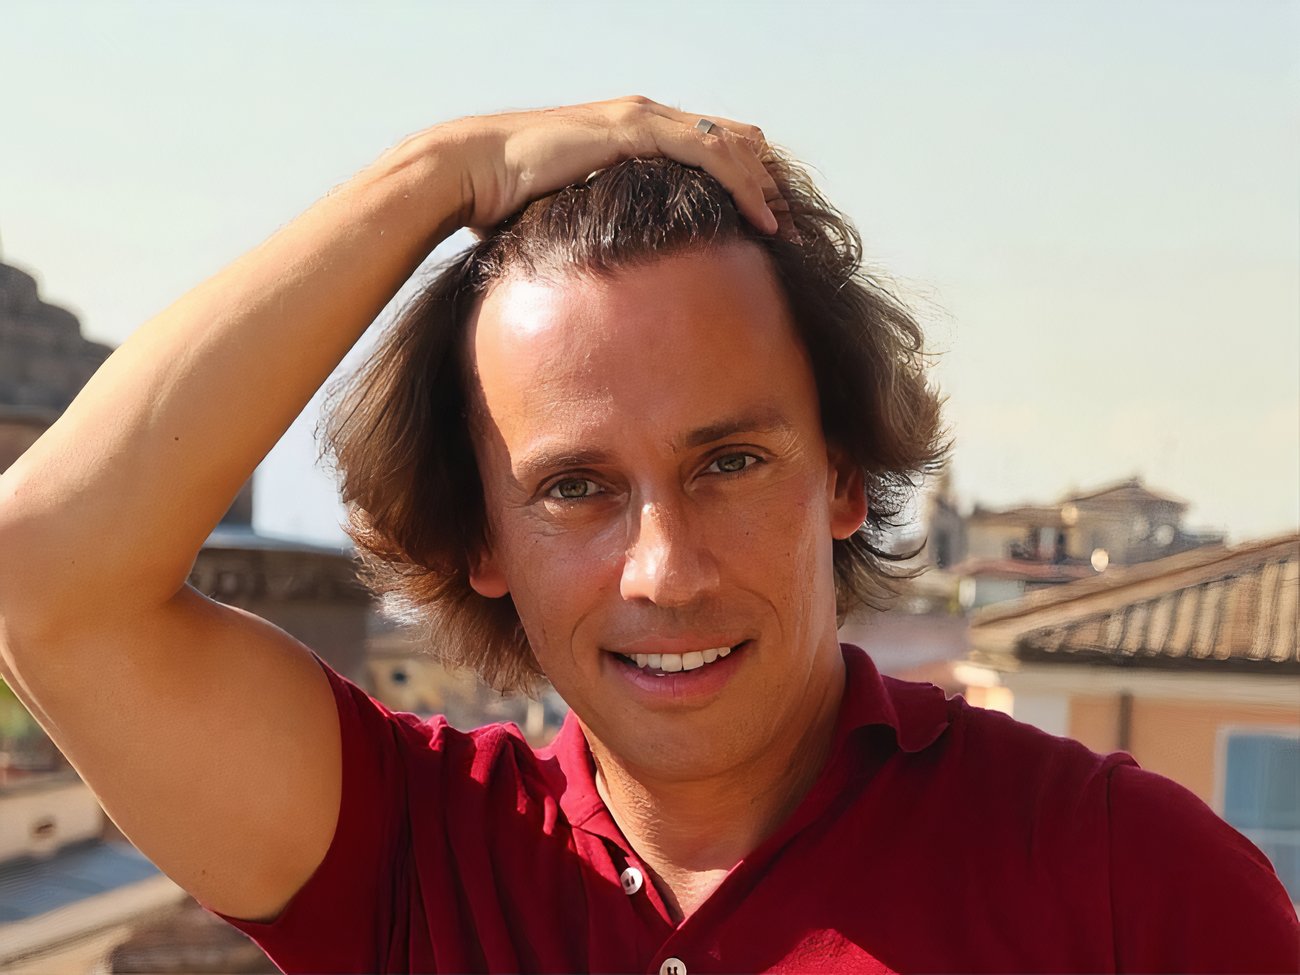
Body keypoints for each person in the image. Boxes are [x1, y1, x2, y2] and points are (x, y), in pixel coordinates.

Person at [0, 98, 1294, 974]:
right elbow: (44, 573)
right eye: (575, 487)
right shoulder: (416, 851)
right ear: (482, 539)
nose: (666, 569)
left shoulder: (1121, 879)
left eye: (729, 463)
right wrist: (442, 172)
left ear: (843, 478)